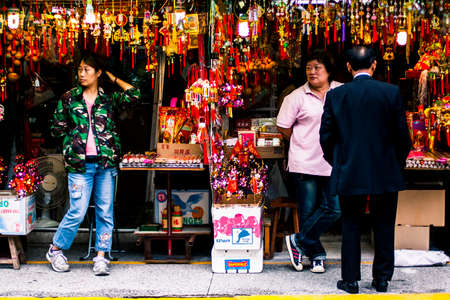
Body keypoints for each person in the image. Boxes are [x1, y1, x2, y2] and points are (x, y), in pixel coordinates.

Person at [319, 46, 411, 293]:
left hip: (351, 169)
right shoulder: (390, 93)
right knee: (383, 224)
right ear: (374, 65)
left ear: (348, 67)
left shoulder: (337, 95)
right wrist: (396, 162)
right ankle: (381, 279)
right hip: (385, 170)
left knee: (351, 224)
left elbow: (325, 137)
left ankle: (350, 280)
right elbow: (403, 137)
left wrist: (338, 161)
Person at [47, 52, 141, 276]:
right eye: (80, 69)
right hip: (80, 166)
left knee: (105, 212)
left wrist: (113, 78)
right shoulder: (69, 98)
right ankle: (55, 249)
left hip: (105, 164)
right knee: (78, 211)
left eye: (87, 70)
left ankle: (101, 256)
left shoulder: (107, 98)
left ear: (98, 73)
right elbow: (55, 128)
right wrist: (72, 141)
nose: (82, 74)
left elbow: (135, 94)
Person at [276, 49, 342, 273]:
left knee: (334, 209)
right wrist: (302, 142)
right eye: (309, 68)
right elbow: (283, 126)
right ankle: (317, 256)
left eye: (317, 68)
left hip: (333, 162)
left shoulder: (342, 91)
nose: (312, 72)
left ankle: (297, 240)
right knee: (307, 210)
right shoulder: (295, 97)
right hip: (305, 161)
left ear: (328, 71)